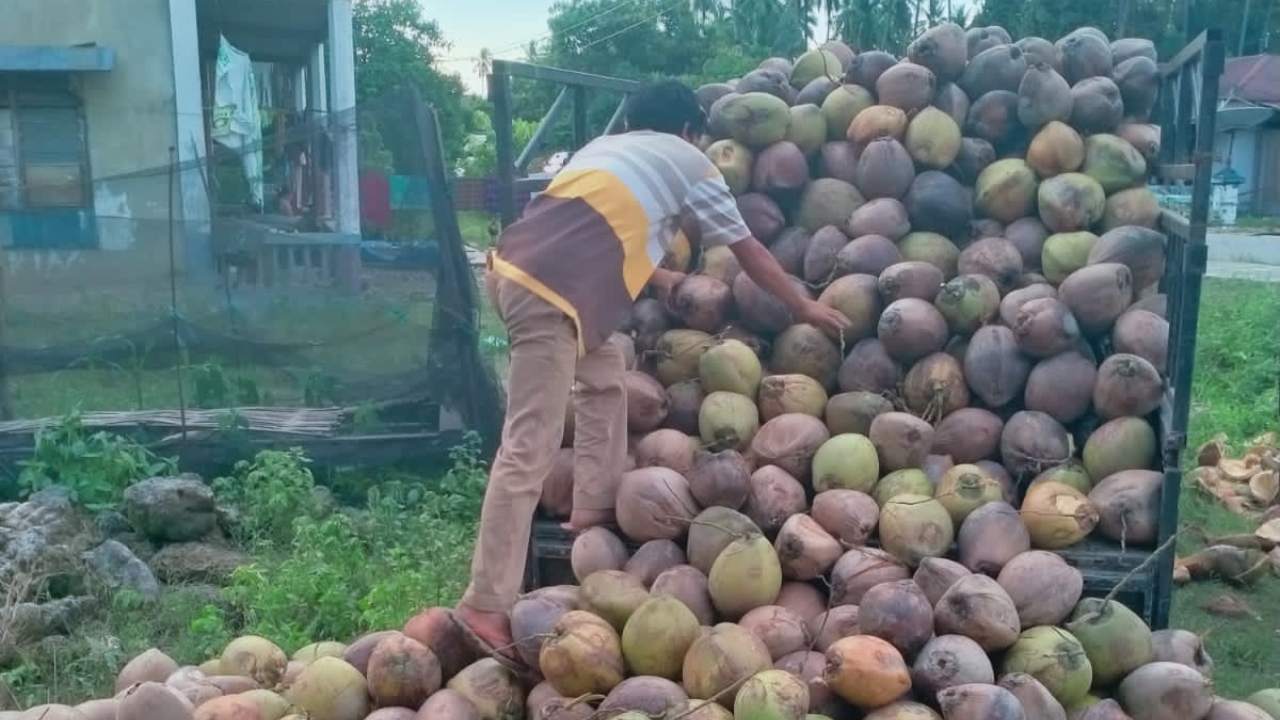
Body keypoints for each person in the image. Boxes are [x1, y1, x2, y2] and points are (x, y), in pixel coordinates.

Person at [454, 80, 851, 658]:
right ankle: (485, 602)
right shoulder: (691, 162)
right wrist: (804, 306)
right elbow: (749, 253)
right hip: (549, 296)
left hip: (515, 274)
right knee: (528, 445)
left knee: (604, 371)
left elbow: (592, 238)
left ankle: (592, 505)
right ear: (689, 130)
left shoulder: (603, 151)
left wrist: (664, 279)